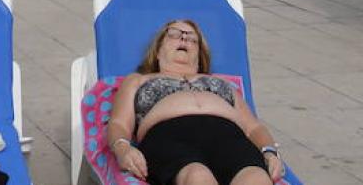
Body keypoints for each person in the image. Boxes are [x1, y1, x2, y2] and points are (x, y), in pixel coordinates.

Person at [105, 20, 283, 185]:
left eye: (192, 39)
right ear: (158, 51)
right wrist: (122, 148)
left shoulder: (223, 84)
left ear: (200, 56)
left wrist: (269, 152)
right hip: (168, 138)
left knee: (256, 179)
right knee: (197, 177)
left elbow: (253, 128)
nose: (184, 38)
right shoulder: (138, 80)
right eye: (174, 34)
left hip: (228, 138)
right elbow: (119, 122)